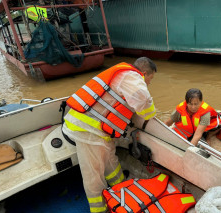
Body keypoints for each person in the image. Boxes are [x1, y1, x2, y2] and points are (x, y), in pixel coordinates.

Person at [62, 57, 157, 213]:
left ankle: (120, 190)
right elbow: (143, 99)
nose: (149, 83)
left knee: (110, 161)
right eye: (150, 79)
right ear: (144, 73)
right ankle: (100, 209)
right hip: (87, 130)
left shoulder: (120, 73)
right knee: (94, 174)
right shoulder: (131, 76)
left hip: (98, 131)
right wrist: (151, 112)